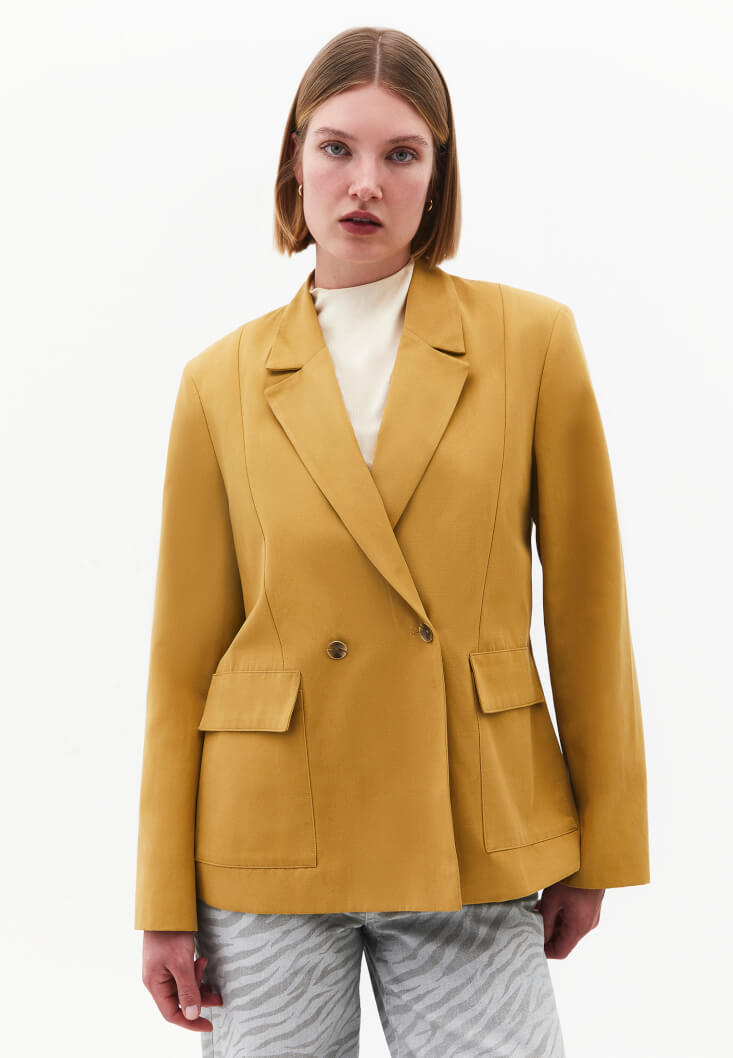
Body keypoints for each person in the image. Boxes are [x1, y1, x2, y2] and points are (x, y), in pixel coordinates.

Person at [135, 25, 650, 1058]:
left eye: (401, 153)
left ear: (437, 174)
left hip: (469, 822)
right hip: (268, 838)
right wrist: (162, 898)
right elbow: (182, 658)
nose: (364, 182)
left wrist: (600, 845)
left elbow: (589, 612)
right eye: (336, 147)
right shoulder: (219, 381)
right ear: (295, 160)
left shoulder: (529, 342)